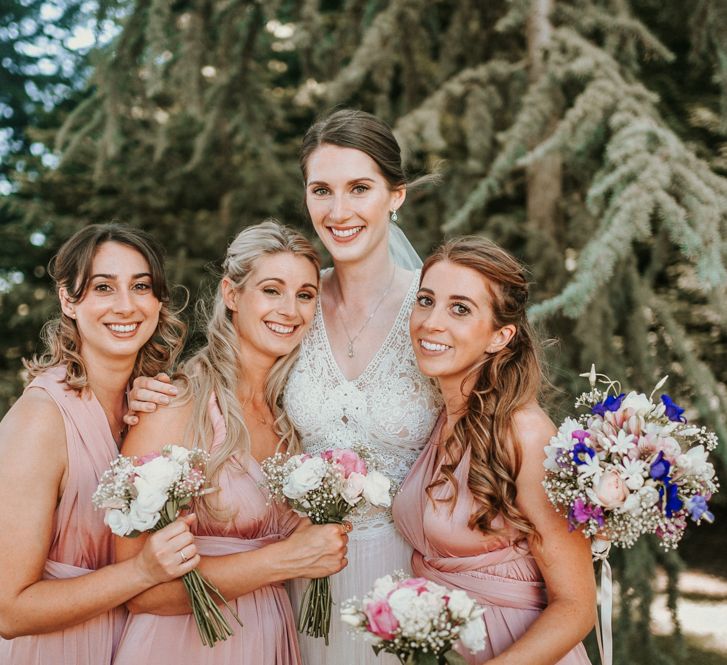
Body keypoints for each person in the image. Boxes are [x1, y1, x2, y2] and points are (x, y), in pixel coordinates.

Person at [123, 110, 442, 664]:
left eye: (359, 188)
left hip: (414, 578)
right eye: (322, 190)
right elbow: (231, 382)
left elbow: (490, 418)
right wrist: (143, 395)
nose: (338, 211)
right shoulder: (295, 301)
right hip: (299, 588)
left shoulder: (436, 307)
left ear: (396, 195)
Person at [112, 220, 349, 665]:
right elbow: (137, 590)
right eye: (272, 290)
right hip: (183, 647)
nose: (290, 310)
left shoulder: (291, 416)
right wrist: (287, 559)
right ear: (232, 294)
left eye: (305, 295)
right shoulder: (175, 404)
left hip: (270, 636)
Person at [392, 236, 596, 664]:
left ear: (500, 335)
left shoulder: (525, 432)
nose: (431, 322)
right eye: (426, 300)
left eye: (460, 309)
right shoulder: (442, 420)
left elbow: (576, 607)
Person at [0, 224, 197, 665]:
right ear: (69, 300)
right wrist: (142, 571)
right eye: (103, 287)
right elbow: (9, 611)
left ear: (158, 301)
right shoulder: (40, 421)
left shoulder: (151, 408)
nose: (125, 306)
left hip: (136, 645)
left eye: (141, 286)